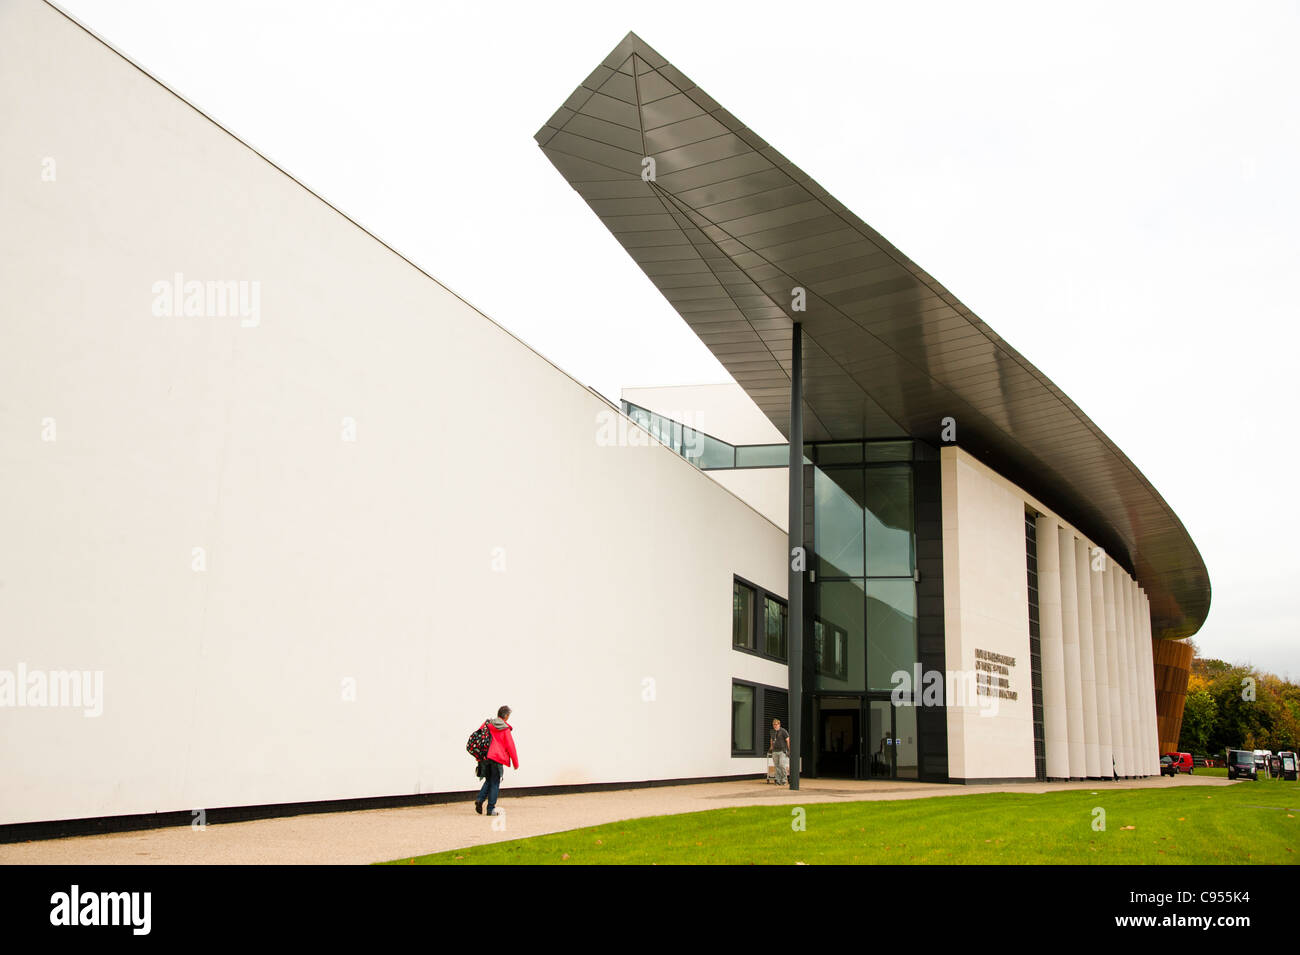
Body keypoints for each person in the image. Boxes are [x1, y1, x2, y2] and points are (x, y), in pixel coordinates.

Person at [475, 705, 519, 816]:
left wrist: (478, 756)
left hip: (485, 757)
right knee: (495, 782)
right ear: (507, 716)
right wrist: (515, 762)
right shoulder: (505, 728)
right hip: (497, 758)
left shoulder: (488, 723)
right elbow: (510, 746)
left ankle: (480, 800)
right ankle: (490, 809)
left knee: (489, 780)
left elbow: (479, 738)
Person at [769, 718, 790, 786]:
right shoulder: (772, 731)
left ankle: (784, 779)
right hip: (775, 751)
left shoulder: (783, 731)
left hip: (782, 750)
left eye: (776, 724)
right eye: (774, 724)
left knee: (782, 765)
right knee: (776, 766)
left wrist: (789, 749)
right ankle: (778, 780)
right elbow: (771, 739)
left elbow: (787, 740)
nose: (775, 726)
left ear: (779, 724)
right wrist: (771, 747)